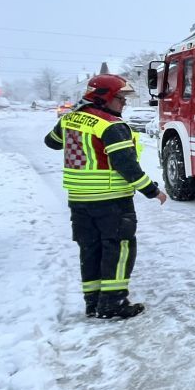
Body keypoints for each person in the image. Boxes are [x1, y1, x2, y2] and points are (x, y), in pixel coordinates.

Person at [44, 74, 167, 319]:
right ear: (104, 97)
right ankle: (113, 303)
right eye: (120, 98)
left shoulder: (69, 119)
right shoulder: (111, 125)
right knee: (119, 249)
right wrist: (152, 190)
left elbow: (52, 142)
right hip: (111, 200)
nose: (124, 103)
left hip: (79, 200)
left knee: (90, 249)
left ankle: (93, 302)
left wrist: (76, 118)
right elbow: (126, 166)